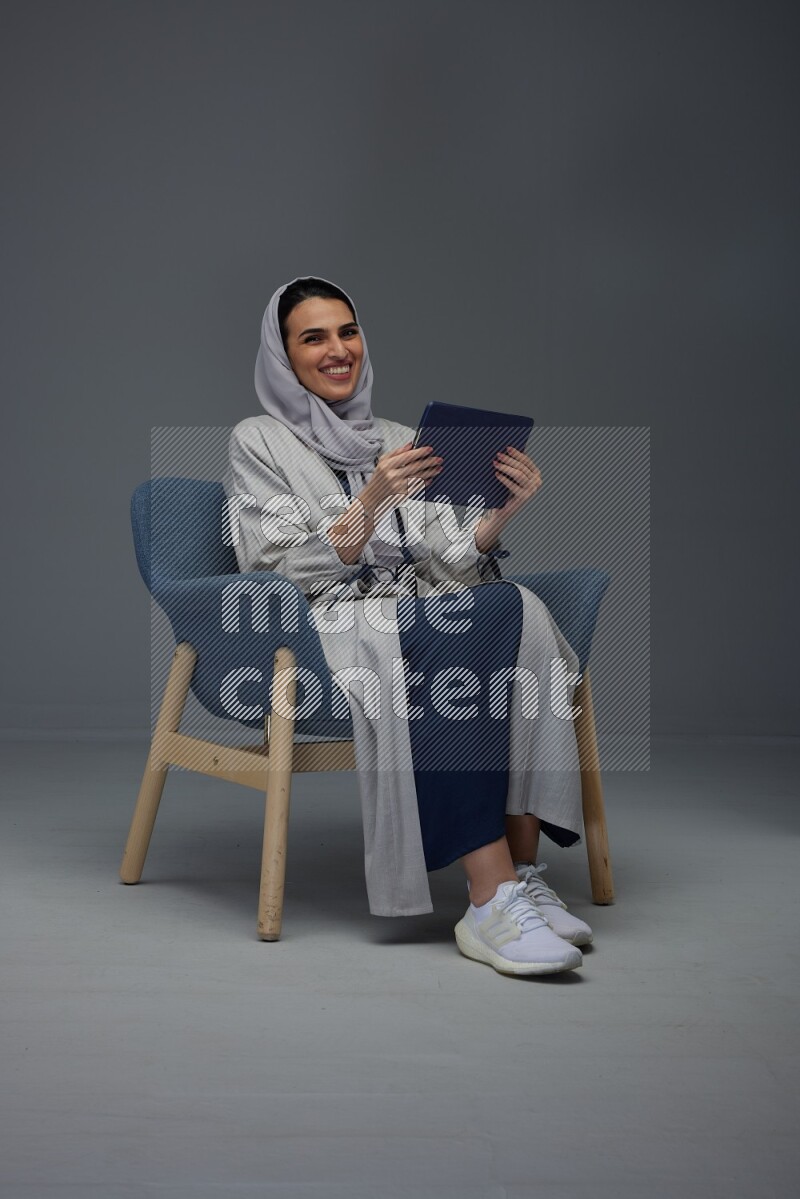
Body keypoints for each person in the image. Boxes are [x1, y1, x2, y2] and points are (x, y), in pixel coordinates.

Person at [225, 275, 593, 978]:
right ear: (282, 354)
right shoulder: (260, 440)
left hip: (416, 611)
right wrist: (372, 496)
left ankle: (520, 868)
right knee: (473, 624)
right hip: (325, 628)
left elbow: (445, 562)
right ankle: (490, 898)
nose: (338, 350)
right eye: (314, 337)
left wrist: (495, 520)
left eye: (347, 331)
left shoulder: (396, 437)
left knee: (520, 608)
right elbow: (275, 568)